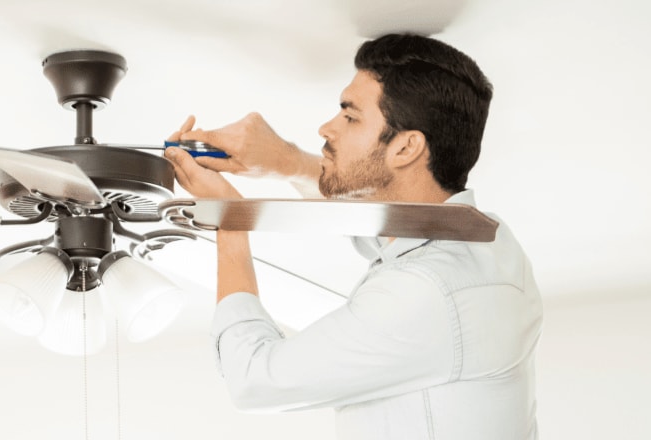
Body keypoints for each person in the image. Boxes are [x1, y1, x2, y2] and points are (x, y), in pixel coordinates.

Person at [163, 33, 543, 440]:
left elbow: (254, 379)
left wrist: (229, 221)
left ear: (406, 148)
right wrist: (287, 162)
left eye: (350, 117)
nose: (326, 128)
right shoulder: (486, 243)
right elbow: (378, 221)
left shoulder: (428, 291)